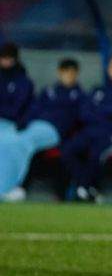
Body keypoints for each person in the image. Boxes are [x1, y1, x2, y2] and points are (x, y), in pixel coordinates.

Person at [60, 53, 112, 203]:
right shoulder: (99, 89)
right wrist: (105, 111)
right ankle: (87, 188)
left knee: (96, 153)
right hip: (91, 132)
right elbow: (84, 113)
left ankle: (84, 189)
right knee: (67, 150)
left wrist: (99, 109)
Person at [0, 56, 82, 201]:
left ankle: (12, 186)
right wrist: (25, 121)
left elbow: (76, 120)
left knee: (21, 144)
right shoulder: (48, 91)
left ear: (77, 74)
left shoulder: (79, 95)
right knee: (6, 139)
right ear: (59, 72)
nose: (69, 76)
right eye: (66, 72)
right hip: (34, 125)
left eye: (72, 73)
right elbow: (34, 108)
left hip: (54, 130)